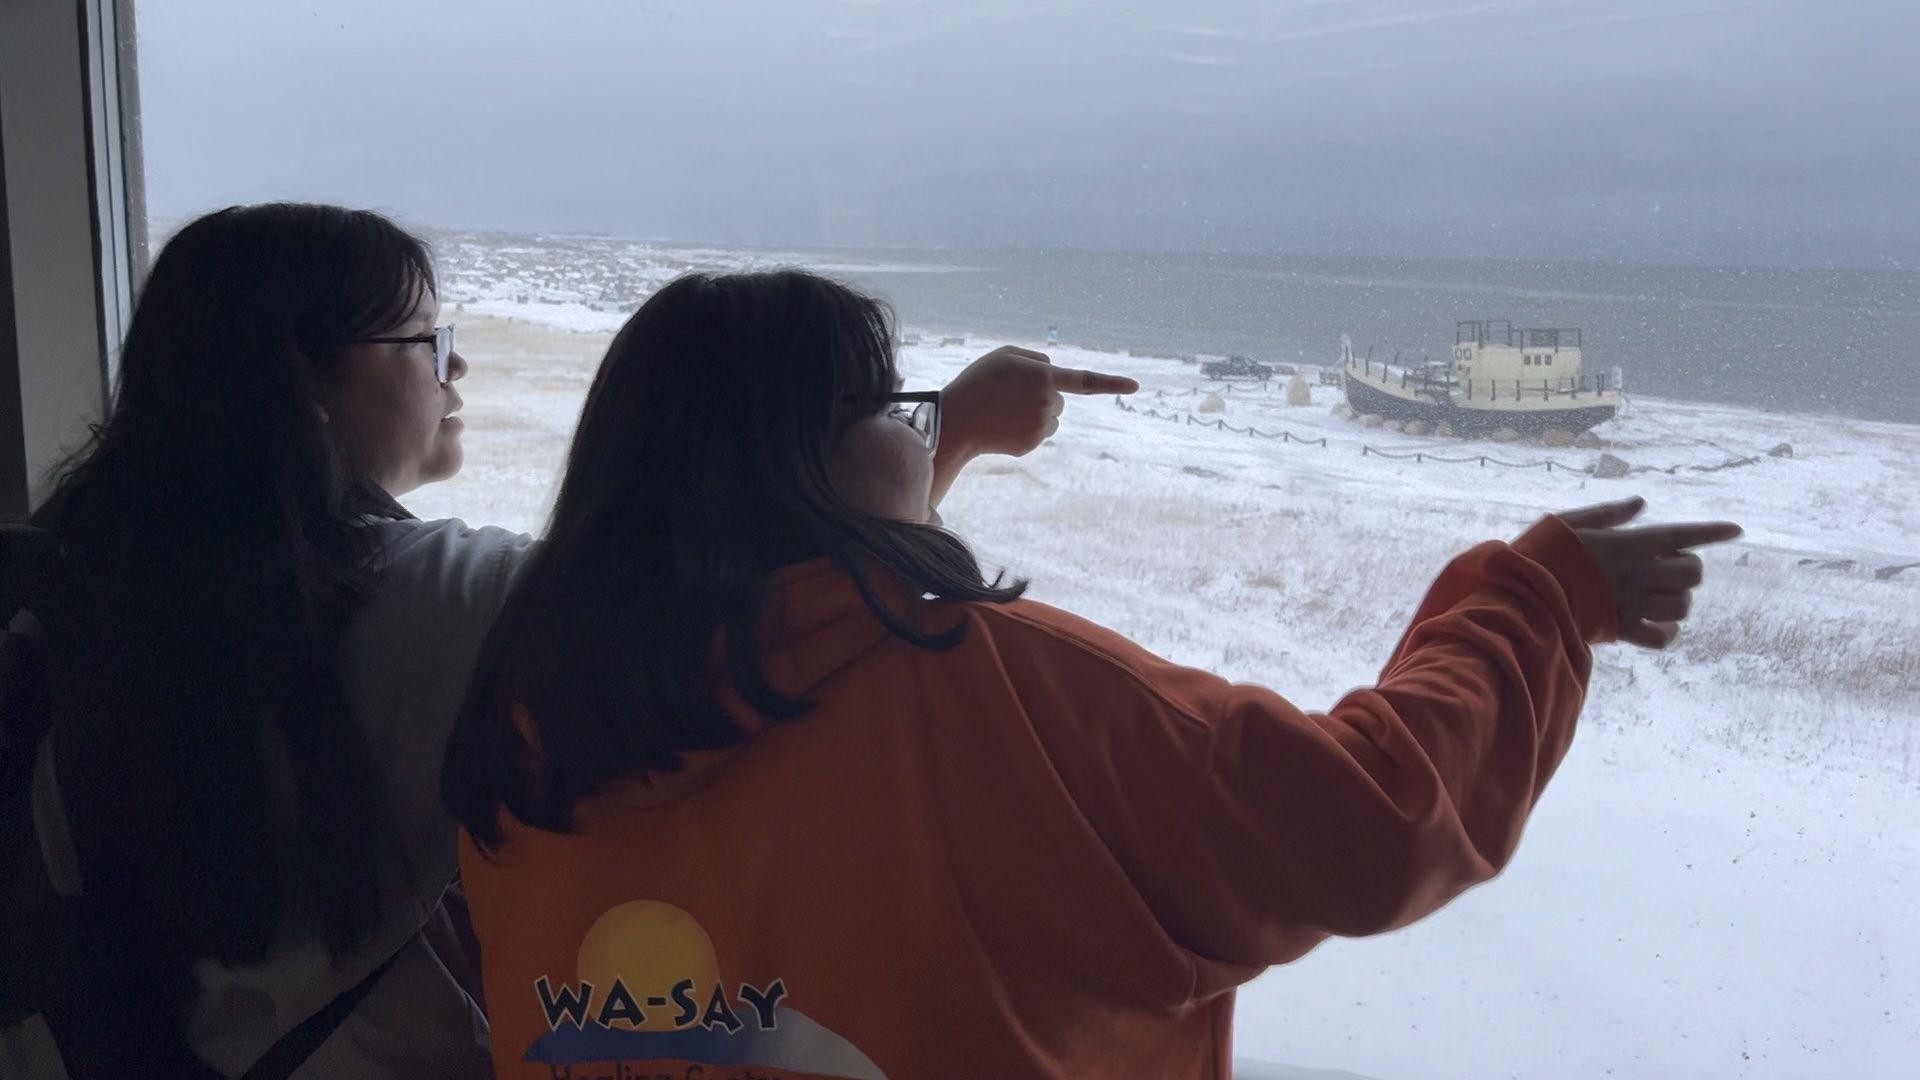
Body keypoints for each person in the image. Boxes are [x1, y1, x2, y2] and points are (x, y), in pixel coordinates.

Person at [443, 270, 1742, 1079]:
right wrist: (1540, 598)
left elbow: (781, 625)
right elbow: (1365, 819)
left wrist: (947, 426)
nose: (919, 438)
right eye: (897, 418)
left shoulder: (530, 707)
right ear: (823, 461)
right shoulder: (970, 686)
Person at [7, 205, 1120, 1078]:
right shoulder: (438, 604)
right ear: (311, 385)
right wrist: (950, 432)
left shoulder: (76, 565)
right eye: (428, 338)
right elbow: (786, 624)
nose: (459, 369)